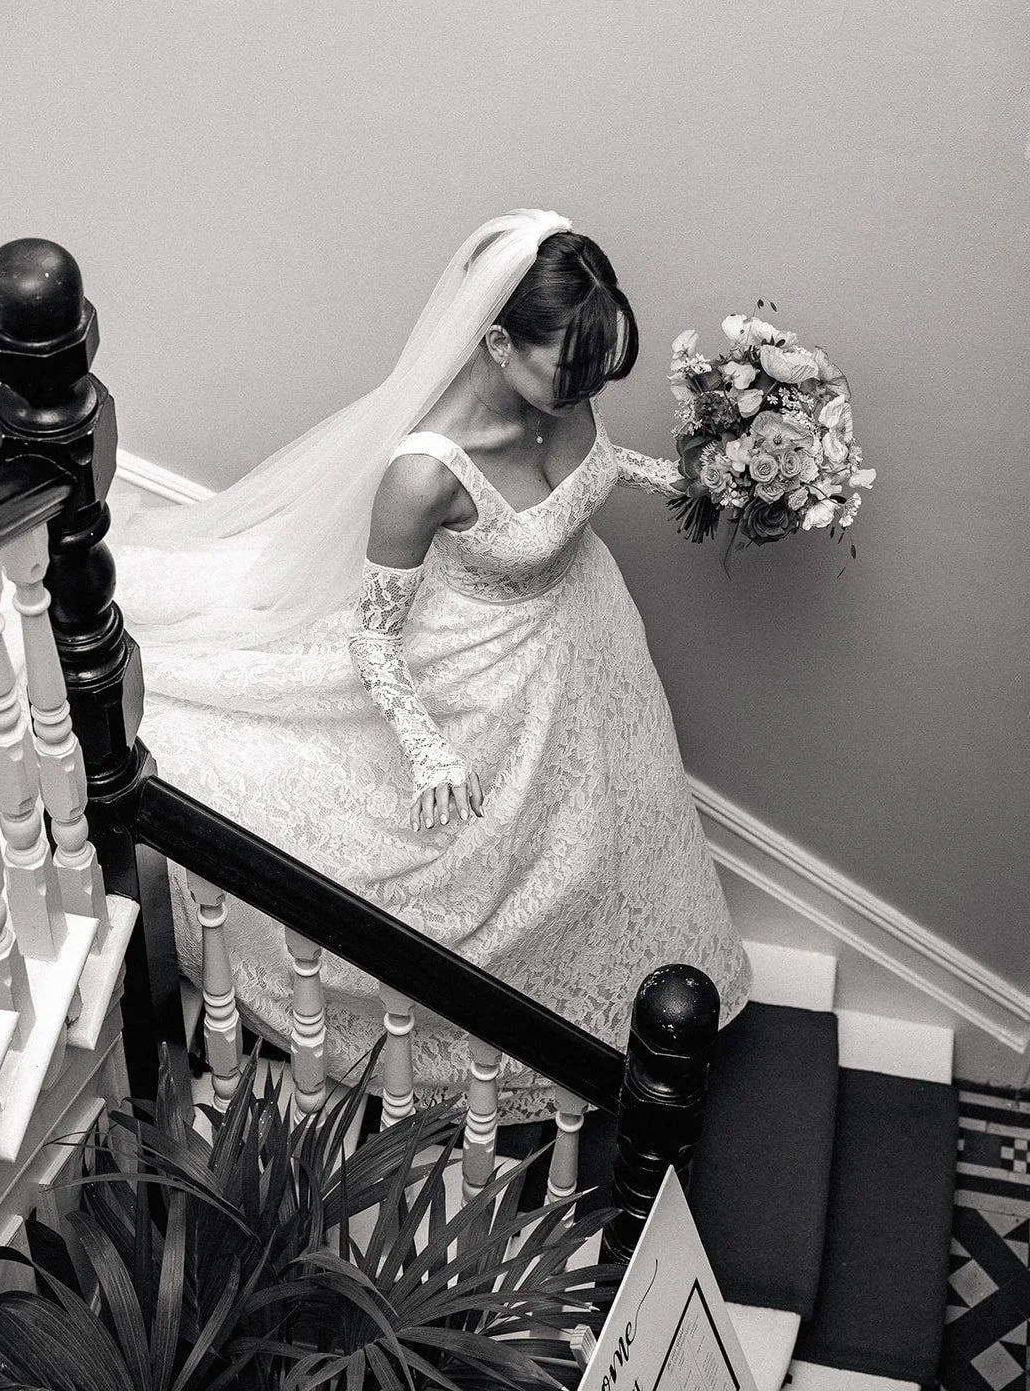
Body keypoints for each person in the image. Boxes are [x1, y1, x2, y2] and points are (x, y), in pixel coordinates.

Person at [116, 209, 750, 1116]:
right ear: (496, 343)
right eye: (568, 370)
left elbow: (597, 466)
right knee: (468, 876)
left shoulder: (565, 399)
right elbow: (372, 636)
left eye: (595, 370)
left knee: (609, 836)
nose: (582, 392)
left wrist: (706, 483)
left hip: (589, 648)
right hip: (475, 680)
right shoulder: (423, 475)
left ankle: (634, 1008)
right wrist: (427, 749)